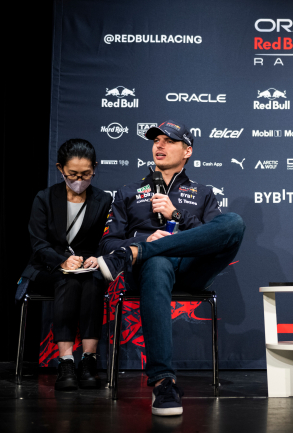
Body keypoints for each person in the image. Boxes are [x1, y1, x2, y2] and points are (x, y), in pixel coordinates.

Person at [96, 120, 245, 416]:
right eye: (156, 140)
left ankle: (140, 252)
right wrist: (144, 239)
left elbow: (215, 239)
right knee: (157, 262)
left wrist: (177, 215)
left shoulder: (203, 193)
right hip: (148, 272)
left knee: (234, 222)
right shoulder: (128, 192)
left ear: (187, 151)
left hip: (191, 270)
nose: (160, 145)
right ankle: (164, 381)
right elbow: (107, 244)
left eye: (170, 140)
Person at [21, 139, 111, 390]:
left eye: (86, 174)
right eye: (73, 174)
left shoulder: (103, 200)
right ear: (60, 169)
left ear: (94, 168)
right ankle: (66, 361)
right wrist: (62, 260)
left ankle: (89, 360)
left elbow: (106, 240)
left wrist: (96, 258)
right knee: (68, 281)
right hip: (48, 267)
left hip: (86, 267)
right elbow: (38, 244)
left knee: (93, 281)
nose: (79, 180)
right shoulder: (45, 198)